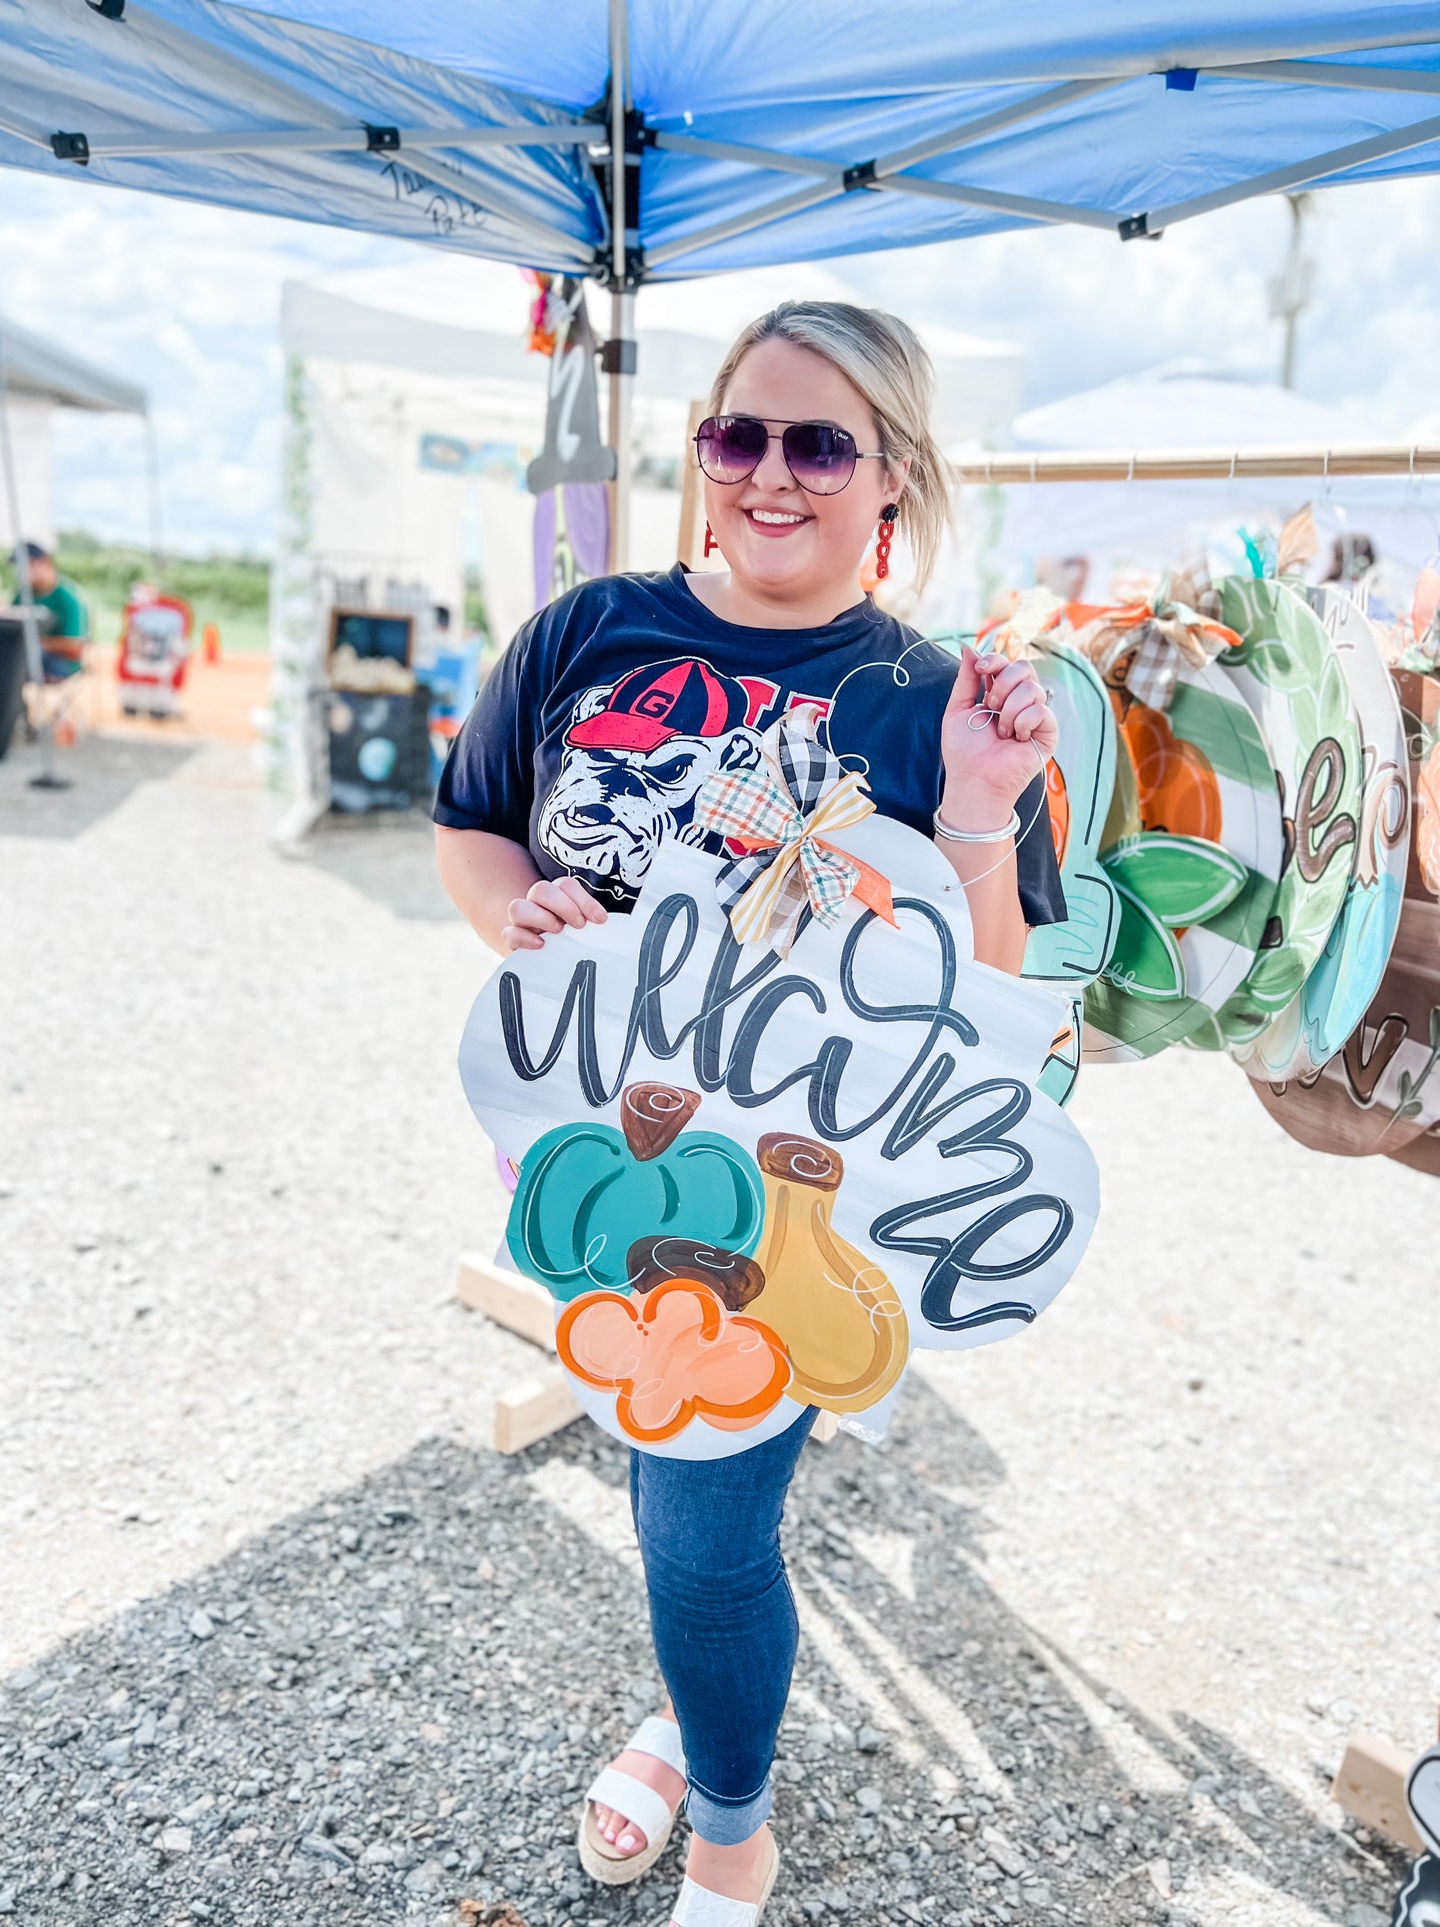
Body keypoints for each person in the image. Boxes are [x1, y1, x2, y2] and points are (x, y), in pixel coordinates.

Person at [433, 300, 1064, 1927]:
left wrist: (985, 818)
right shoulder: (586, 628)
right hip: (583, 1149)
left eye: (819, 442)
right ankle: (698, 1697)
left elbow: (989, 1005)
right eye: (739, 433)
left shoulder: (939, 700)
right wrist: (515, 913)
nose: (770, 473)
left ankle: (731, 1827)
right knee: (677, 1468)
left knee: (698, 1521)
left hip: (788, 1188)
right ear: (701, 455)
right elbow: (474, 828)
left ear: (893, 480)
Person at [6, 540, 89, 682]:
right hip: (22, 657)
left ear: (44, 562)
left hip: (60, 664)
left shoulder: (69, 598)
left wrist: (36, 642)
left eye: (28, 565)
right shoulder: (23, 595)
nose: (21, 571)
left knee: (14, 664)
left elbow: (74, 645)